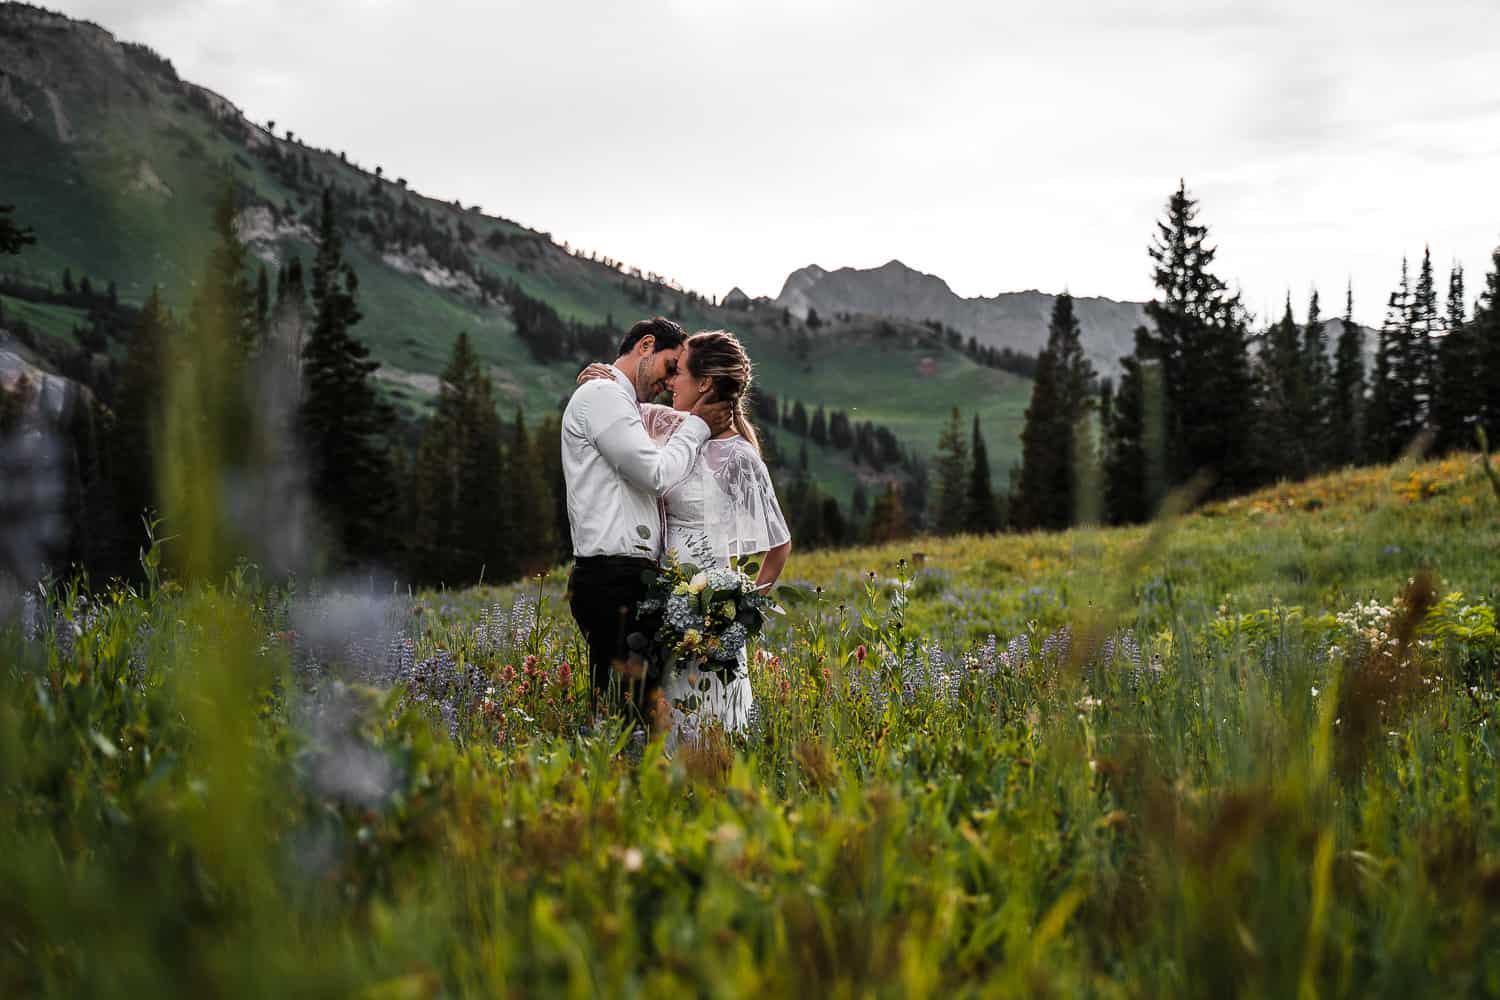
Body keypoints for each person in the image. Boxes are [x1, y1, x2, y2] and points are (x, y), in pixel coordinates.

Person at [577, 330, 792, 745]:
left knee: (708, 728)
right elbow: (616, 412)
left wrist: (737, 615)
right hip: (659, 608)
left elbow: (779, 547)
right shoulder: (663, 426)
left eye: (678, 373)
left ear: (705, 383)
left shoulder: (739, 456)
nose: (670, 383)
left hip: (709, 608)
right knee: (660, 724)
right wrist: (598, 380)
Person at [561, 317, 733, 724]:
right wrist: (697, 427)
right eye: (670, 366)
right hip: (611, 577)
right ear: (646, 346)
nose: (671, 381)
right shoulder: (603, 396)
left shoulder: (619, 400)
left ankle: (623, 781)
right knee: (627, 718)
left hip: (628, 577)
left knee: (631, 713)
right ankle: (617, 782)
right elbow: (654, 474)